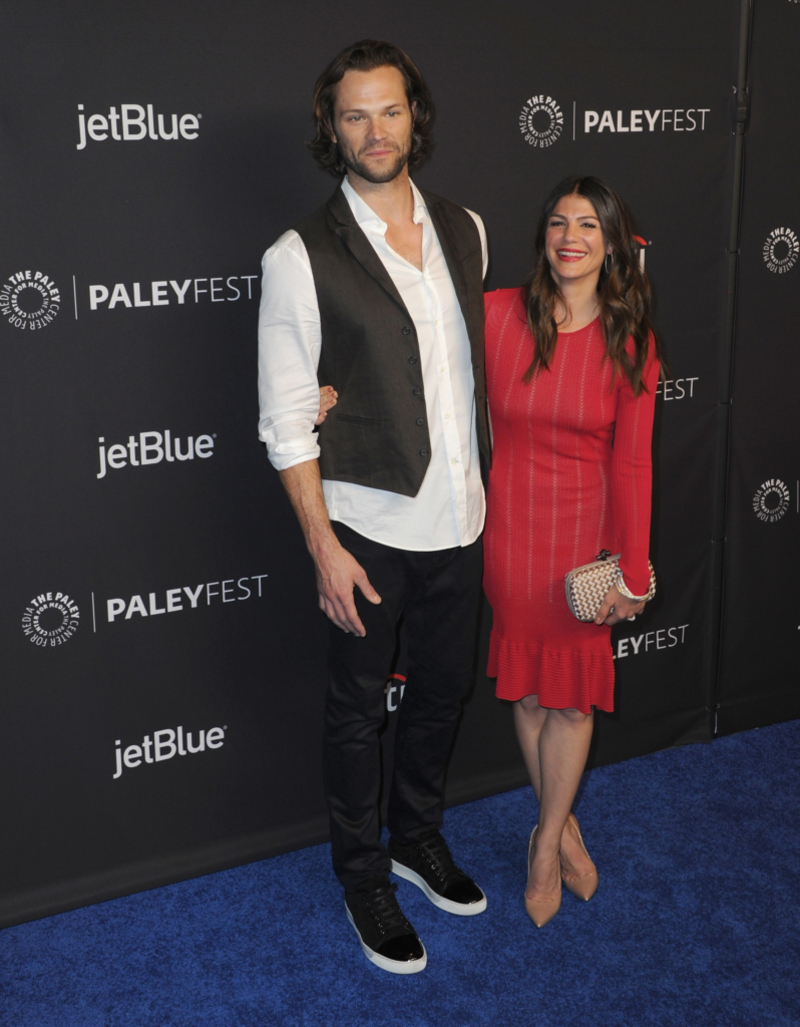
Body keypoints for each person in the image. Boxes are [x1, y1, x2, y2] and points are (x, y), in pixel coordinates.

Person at [257, 39, 491, 974]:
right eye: (354, 114)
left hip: (461, 519)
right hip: (365, 527)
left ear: (415, 117)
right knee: (358, 714)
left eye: (389, 110)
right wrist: (322, 544)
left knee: (441, 694)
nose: (374, 130)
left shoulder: (465, 229)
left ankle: (416, 836)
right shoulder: (297, 253)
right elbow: (285, 419)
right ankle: (363, 876)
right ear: (332, 128)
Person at [482, 176, 660, 928]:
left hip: (583, 547)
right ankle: (559, 826)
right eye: (557, 222)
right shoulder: (495, 315)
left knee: (573, 700)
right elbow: (412, 363)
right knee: (528, 692)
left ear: (613, 242)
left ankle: (545, 841)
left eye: (588, 224)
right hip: (511, 536)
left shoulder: (632, 340)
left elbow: (635, 463)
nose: (570, 236)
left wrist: (633, 568)